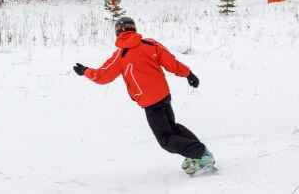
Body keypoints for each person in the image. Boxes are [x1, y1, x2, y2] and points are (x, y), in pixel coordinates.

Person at [71, 17, 215, 175]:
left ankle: (200, 154)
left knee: (166, 139)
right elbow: (171, 63)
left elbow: (102, 76)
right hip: (164, 95)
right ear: (134, 29)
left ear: (117, 32)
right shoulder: (150, 44)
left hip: (150, 102)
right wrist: (188, 74)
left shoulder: (121, 55)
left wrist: (85, 71)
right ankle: (200, 153)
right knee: (172, 128)